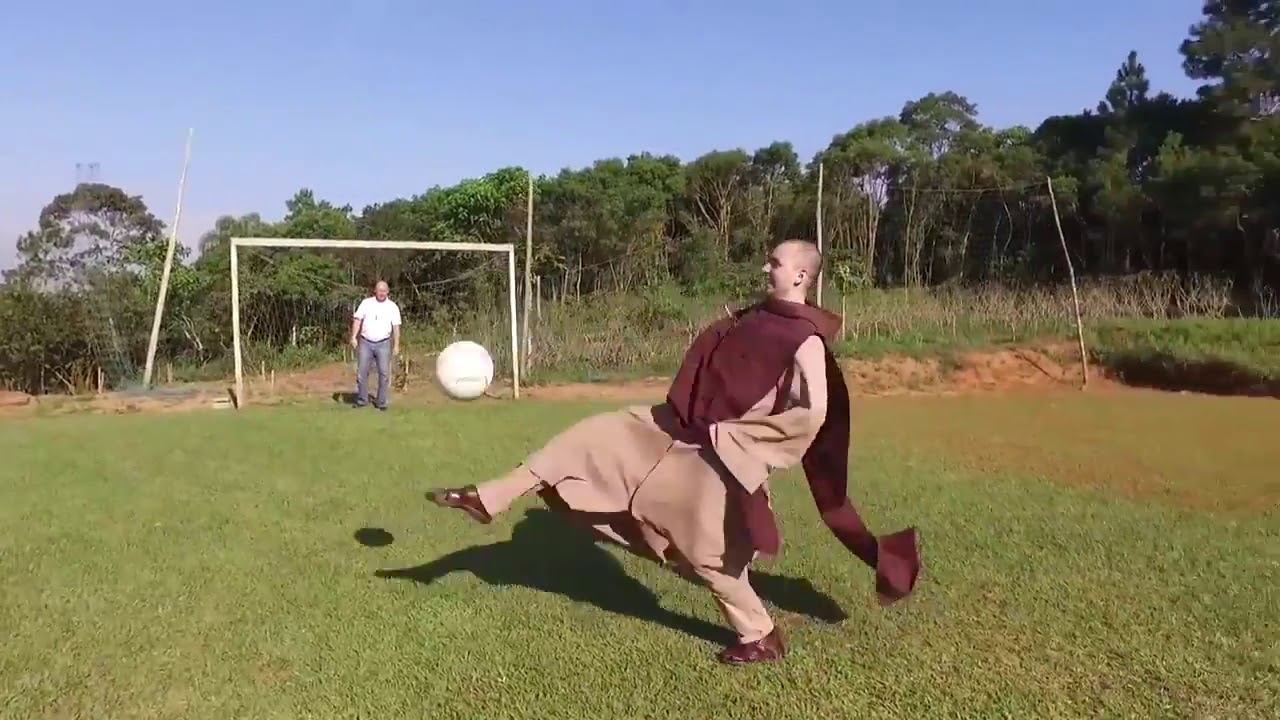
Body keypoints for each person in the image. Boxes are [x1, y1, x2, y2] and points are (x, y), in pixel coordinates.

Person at [425, 240, 920, 665]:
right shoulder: (756, 316)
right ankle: (486, 498)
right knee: (590, 438)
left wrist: (746, 440)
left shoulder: (805, 340)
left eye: (774, 262)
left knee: (708, 555)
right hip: (671, 427)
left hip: (720, 453)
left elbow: (812, 413)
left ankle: (761, 636)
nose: (765, 268)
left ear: (800, 274)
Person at [349, 280, 402, 410]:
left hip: (383, 343)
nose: (382, 293)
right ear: (375, 291)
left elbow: (396, 327)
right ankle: (362, 400)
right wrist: (353, 337)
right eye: (379, 290)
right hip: (366, 342)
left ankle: (381, 402)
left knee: (384, 374)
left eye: (384, 291)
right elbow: (357, 320)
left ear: (387, 292)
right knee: (362, 373)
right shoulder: (366, 303)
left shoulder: (392, 307)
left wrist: (396, 345)